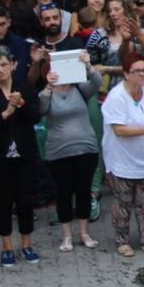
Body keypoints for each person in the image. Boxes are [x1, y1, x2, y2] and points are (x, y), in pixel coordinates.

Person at [101, 51, 144, 257]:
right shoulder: (116, 97)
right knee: (123, 199)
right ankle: (121, 240)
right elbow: (119, 130)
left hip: (143, 151)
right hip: (121, 155)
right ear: (126, 74)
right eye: (137, 71)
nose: (142, 74)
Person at [39, 48, 101, 251]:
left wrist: (88, 65)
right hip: (58, 153)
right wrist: (49, 85)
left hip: (86, 149)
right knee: (63, 193)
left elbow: (97, 82)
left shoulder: (80, 89)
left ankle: (84, 233)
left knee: (84, 192)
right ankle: (66, 236)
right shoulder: (46, 93)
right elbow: (40, 109)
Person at [0, 46, 42, 267]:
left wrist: (22, 104)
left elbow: (36, 116)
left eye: (4, 65)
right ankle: (7, 246)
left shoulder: (24, 88)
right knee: (3, 202)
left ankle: (27, 244)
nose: (1, 70)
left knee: (25, 201)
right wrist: (5, 114)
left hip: (24, 154)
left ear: (12, 64)